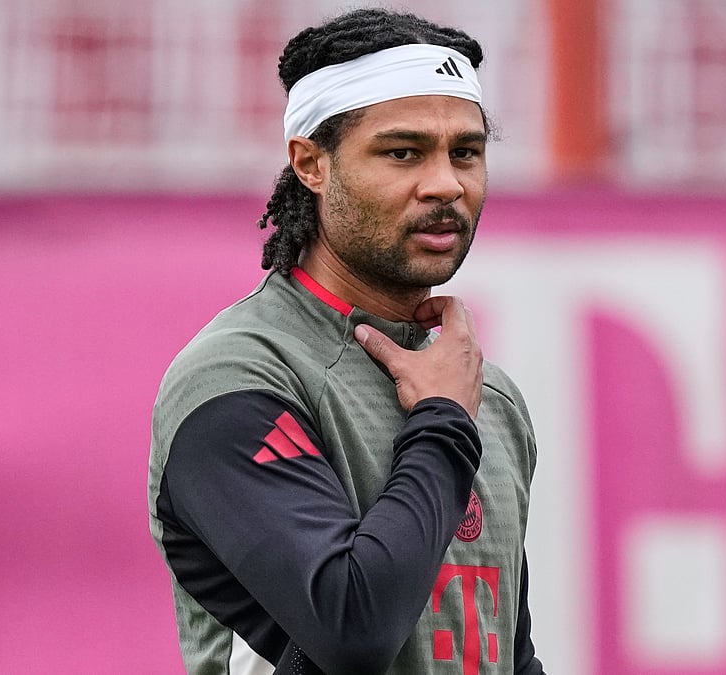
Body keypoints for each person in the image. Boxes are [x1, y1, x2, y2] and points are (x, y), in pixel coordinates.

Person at [148, 8, 545, 674]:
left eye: (466, 152)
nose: (447, 183)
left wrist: (450, 410)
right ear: (310, 163)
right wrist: (442, 422)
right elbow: (351, 625)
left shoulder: (487, 395)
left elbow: (507, 653)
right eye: (403, 151)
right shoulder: (237, 375)